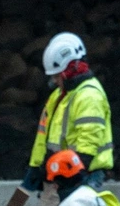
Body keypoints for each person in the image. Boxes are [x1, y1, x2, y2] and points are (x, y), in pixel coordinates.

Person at [27, 31, 114, 183]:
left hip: (82, 175)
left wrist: (70, 175)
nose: (54, 81)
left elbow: (88, 144)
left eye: (57, 76)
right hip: (62, 173)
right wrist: (36, 168)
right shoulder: (60, 95)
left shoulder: (88, 96)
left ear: (69, 71)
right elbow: (44, 138)